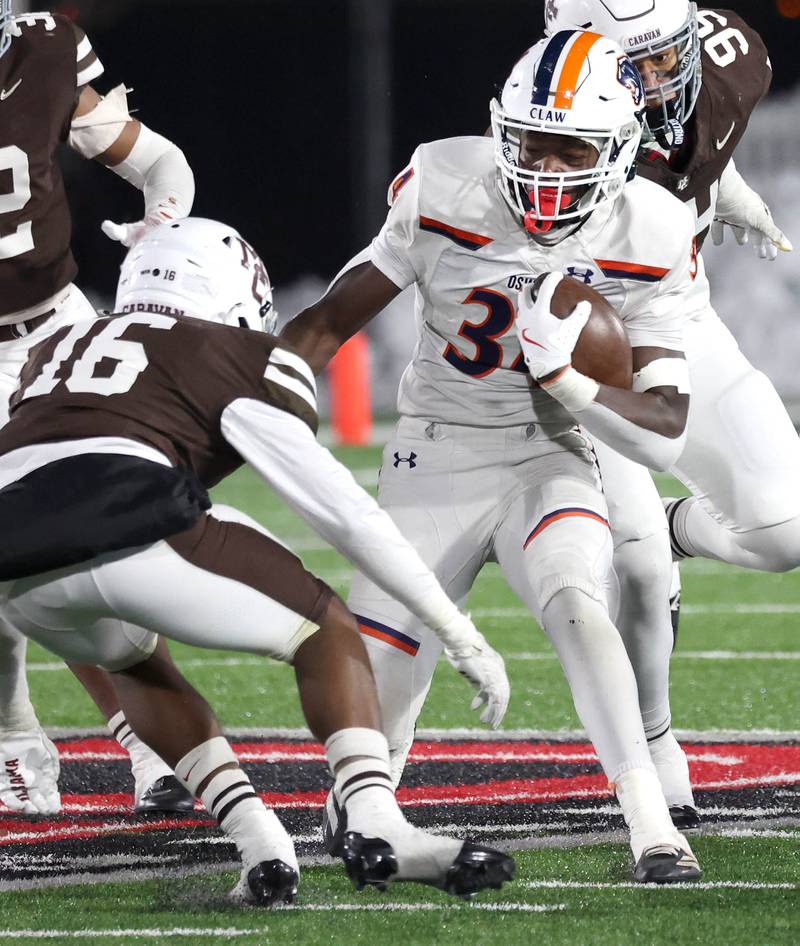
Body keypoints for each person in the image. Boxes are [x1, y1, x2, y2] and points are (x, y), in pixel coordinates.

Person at [281, 31, 702, 883]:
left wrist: (573, 388)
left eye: (571, 149)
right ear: (499, 129)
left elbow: (665, 419)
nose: (546, 170)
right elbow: (325, 321)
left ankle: (653, 824)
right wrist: (252, 402)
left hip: (547, 450)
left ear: (619, 152)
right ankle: (362, 809)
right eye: (531, 143)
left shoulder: (651, 227)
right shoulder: (445, 182)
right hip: (432, 453)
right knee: (382, 680)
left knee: (578, 599)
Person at [0, 217, 514, 905]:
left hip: (20, 574)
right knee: (323, 627)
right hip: (125, 509)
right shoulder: (225, 349)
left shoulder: (54, 347)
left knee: (134, 663)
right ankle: (376, 821)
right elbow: (341, 510)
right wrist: (456, 629)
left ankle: (261, 845)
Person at [0, 3, 197, 814]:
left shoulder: (41, 45)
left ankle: (151, 742)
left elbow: (158, 162)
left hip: (60, 332)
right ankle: (15, 738)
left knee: (108, 542)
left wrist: (162, 234)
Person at [544, 3, 799, 575]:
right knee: (633, 568)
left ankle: (671, 528)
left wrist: (723, 184)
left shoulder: (729, 67)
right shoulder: (547, 133)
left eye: (666, 57)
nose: (660, 83)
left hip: (677, 315)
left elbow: (688, 142)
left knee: (788, 529)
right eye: (638, 67)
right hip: (567, 346)